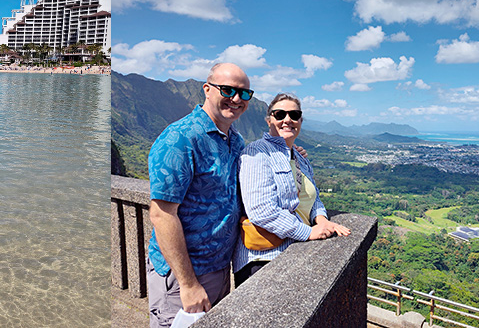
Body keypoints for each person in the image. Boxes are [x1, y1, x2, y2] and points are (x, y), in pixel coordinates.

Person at [146, 63, 254, 327]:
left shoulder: (234, 140)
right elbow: (162, 215)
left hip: (219, 268)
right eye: (227, 90)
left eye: (244, 93)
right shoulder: (180, 138)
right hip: (182, 274)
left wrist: (288, 152)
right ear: (207, 89)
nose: (237, 99)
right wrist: (188, 283)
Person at [233, 93, 350, 286]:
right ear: (269, 119)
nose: (287, 119)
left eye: (294, 115)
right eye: (279, 114)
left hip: (294, 251)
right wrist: (308, 232)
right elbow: (261, 210)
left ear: (300, 120)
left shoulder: (299, 156)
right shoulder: (257, 153)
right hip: (263, 258)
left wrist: (321, 219)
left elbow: (313, 196)